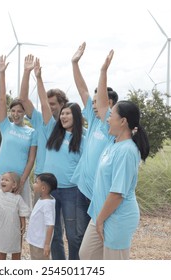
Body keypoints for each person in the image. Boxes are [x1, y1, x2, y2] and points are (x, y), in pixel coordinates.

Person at [79, 48, 150, 260]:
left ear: (123, 121)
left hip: (116, 218)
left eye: (112, 116)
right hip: (101, 214)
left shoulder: (128, 151)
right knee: (87, 255)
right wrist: (103, 71)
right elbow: (101, 105)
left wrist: (100, 220)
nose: (107, 118)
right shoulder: (114, 142)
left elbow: (118, 193)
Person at [33, 57, 85, 260]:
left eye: (68, 114)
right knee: (53, 234)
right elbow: (45, 106)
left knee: (73, 235)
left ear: (76, 116)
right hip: (51, 190)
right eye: (62, 114)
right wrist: (38, 77)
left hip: (71, 190)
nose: (63, 117)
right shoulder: (53, 130)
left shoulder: (84, 136)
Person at [70, 42, 119, 250]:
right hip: (82, 188)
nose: (94, 105)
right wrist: (74, 63)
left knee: (100, 238)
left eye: (100, 102)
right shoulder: (93, 118)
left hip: (99, 193)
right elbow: (82, 90)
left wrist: (103, 71)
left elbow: (101, 101)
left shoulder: (111, 126)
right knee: (81, 237)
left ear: (110, 105)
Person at [0, 55, 37, 210]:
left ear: (25, 112)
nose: (16, 114)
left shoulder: (32, 132)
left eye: (20, 111)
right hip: (0, 176)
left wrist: (22, 181)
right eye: (13, 111)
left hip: (18, 179)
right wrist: (2, 73)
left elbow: (31, 160)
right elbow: (2, 100)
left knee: (18, 218)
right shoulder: (6, 126)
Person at [19, 54, 69, 183]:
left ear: (62, 104)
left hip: (63, 178)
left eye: (52, 104)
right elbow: (23, 99)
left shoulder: (70, 126)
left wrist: (39, 78)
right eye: (48, 103)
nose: (49, 107)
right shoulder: (38, 119)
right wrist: (26, 72)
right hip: (41, 176)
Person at [0, 158, 31, 260]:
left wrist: (23, 225)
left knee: (11, 247)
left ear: (14, 185)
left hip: (11, 230)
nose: (3, 181)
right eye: (2, 179)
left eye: (6, 180)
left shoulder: (17, 198)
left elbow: (22, 212)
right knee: (0, 250)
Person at [26, 173, 57, 260]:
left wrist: (46, 244)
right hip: (35, 241)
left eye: (36, 182)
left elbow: (50, 225)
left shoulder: (47, 204)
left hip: (40, 244)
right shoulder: (42, 199)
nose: (33, 184)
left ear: (43, 188)